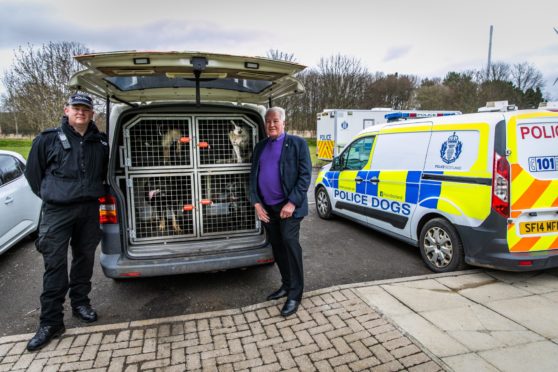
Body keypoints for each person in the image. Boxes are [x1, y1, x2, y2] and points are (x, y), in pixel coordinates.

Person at [24, 93, 109, 352]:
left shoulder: (101, 142)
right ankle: (51, 322)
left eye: (85, 108)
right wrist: (55, 195)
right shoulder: (48, 139)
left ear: (92, 113)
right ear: (66, 110)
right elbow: (33, 174)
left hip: (89, 209)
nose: (81, 112)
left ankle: (80, 303)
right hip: (57, 212)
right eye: (76, 108)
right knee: (55, 265)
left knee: (84, 259)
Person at [249, 107, 312, 317]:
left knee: (289, 242)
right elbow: (252, 178)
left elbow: (305, 176)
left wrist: (292, 202)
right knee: (277, 246)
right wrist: (256, 203)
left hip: (289, 207)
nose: (271, 125)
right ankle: (286, 285)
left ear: (283, 122)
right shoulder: (260, 147)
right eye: (268, 122)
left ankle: (295, 294)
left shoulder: (297, 144)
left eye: (275, 121)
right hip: (268, 208)